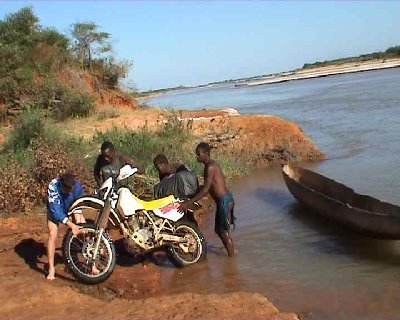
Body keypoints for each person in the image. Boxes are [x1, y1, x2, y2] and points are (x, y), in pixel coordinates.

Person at [179, 142, 236, 257]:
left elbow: (206, 190)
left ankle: (232, 259)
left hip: (224, 201)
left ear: (206, 153)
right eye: (196, 154)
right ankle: (232, 251)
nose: (197, 157)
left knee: (221, 231)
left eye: (198, 154)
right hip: (225, 199)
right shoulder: (209, 166)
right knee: (220, 230)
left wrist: (188, 203)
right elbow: (209, 187)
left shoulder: (210, 167)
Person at [46, 171, 83, 280]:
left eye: (71, 189)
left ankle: (89, 263)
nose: (70, 191)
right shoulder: (53, 186)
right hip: (55, 207)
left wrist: (77, 222)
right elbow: (55, 210)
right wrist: (70, 224)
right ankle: (51, 268)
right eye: (67, 189)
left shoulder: (78, 186)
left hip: (71, 206)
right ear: (61, 184)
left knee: (82, 228)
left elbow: (79, 204)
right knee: (52, 234)